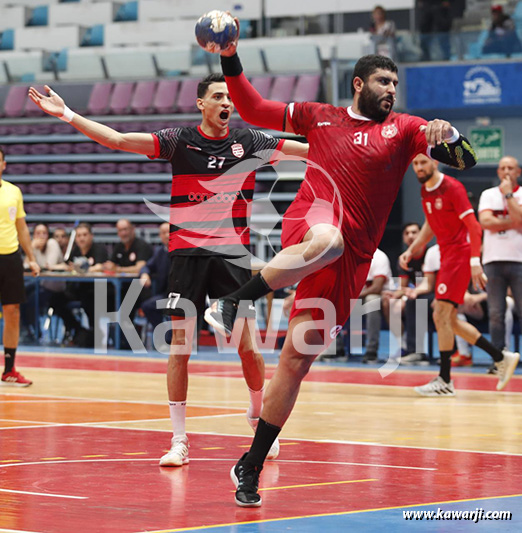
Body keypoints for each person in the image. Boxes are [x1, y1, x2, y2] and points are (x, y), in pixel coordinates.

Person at [203, 29, 477, 505]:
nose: (392, 89)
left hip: (351, 260)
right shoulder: (319, 117)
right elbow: (253, 108)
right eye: (383, 81)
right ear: (358, 84)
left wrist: (448, 134)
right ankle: (233, 301)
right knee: (328, 239)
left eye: (395, 82)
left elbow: (467, 160)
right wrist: (230, 55)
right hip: (312, 223)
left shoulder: (407, 130)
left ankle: (249, 464)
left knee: (295, 361)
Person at [28, 73, 308, 467]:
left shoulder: (252, 142)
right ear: (201, 104)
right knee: (180, 349)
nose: (226, 102)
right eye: (217, 96)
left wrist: (350, 136)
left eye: (229, 97)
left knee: (248, 348)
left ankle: (258, 415)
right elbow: (120, 140)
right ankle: (179, 440)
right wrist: (68, 114)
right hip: (187, 257)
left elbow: (309, 151)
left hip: (231, 257)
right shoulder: (180, 141)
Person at [400, 154, 519, 397]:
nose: (420, 167)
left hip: (460, 256)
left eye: (424, 162)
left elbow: (475, 227)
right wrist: (413, 249)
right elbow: (430, 225)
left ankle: (445, 380)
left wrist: (475, 261)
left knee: (440, 313)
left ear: (435, 163)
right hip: (447, 256)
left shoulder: (453, 187)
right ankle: (501, 357)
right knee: (448, 320)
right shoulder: (426, 191)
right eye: (415, 164)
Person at [0, 146, 40, 386]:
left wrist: (31, 257)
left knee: (13, 312)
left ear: (3, 165)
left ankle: (9, 369)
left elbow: (22, 227)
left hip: (10, 258)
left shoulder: (14, 192)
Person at [478, 156, 522, 357]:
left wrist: (509, 196)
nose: (506, 171)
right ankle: (499, 360)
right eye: (502, 168)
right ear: (497, 172)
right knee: (496, 314)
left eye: (510, 168)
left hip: (519, 261)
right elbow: (485, 222)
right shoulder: (487, 194)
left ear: (518, 172)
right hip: (493, 260)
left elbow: (520, 219)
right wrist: (514, 221)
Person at [49, 222, 109, 346]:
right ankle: (78, 329)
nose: (81, 238)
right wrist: (52, 267)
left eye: (85, 235)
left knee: (90, 301)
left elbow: (100, 266)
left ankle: (95, 334)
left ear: (91, 236)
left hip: (96, 290)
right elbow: (68, 266)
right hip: (76, 290)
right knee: (55, 299)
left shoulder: (99, 249)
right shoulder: (75, 251)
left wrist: (82, 268)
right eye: (79, 235)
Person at [381, 221, 426, 358]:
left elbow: (432, 283)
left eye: (414, 232)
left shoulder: (430, 253)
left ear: (421, 235)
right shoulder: (404, 259)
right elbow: (403, 286)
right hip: (413, 294)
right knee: (390, 303)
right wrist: (394, 294)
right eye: (407, 233)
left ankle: (417, 350)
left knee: (415, 302)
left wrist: (411, 292)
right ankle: (404, 345)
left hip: (430, 294)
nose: (410, 236)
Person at [21, 223, 65, 341]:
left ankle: (37, 332)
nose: (41, 236)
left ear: (48, 235)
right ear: (33, 235)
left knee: (32, 300)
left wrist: (33, 254)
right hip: (40, 284)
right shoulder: (33, 247)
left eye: (44, 233)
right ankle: (26, 329)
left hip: (55, 287)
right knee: (20, 295)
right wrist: (30, 249)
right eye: (38, 233)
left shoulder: (52, 244)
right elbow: (25, 266)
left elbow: (48, 266)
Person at [139, 222, 170, 347]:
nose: (167, 235)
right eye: (163, 233)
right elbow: (147, 266)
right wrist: (145, 274)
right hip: (165, 295)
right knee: (148, 306)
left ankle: (169, 337)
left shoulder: (183, 252)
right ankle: (163, 334)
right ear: (160, 235)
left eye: (169, 231)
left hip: (183, 295)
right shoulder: (160, 252)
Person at [358, 248, 392, 363]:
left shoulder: (379, 256)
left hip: (383, 298)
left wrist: (352, 296)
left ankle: (371, 351)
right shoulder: (351, 255)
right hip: (359, 298)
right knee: (332, 301)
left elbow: (377, 288)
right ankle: (336, 349)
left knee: (371, 301)